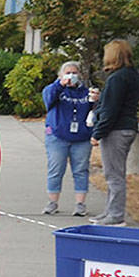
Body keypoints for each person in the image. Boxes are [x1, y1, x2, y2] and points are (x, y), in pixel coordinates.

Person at [89, 39, 139, 226]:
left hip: (116, 130)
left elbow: (111, 110)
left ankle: (116, 215)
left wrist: (97, 133)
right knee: (114, 173)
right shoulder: (133, 75)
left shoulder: (117, 78)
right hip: (127, 126)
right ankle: (110, 211)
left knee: (113, 175)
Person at [40, 60, 93, 216]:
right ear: (60, 75)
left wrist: (96, 100)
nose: (71, 76)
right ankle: (52, 202)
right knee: (56, 169)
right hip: (57, 136)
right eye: (67, 73)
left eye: (74, 73)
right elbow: (48, 100)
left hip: (81, 137)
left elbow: (95, 111)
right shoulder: (55, 89)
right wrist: (60, 84)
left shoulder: (86, 92)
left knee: (81, 170)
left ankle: (80, 204)